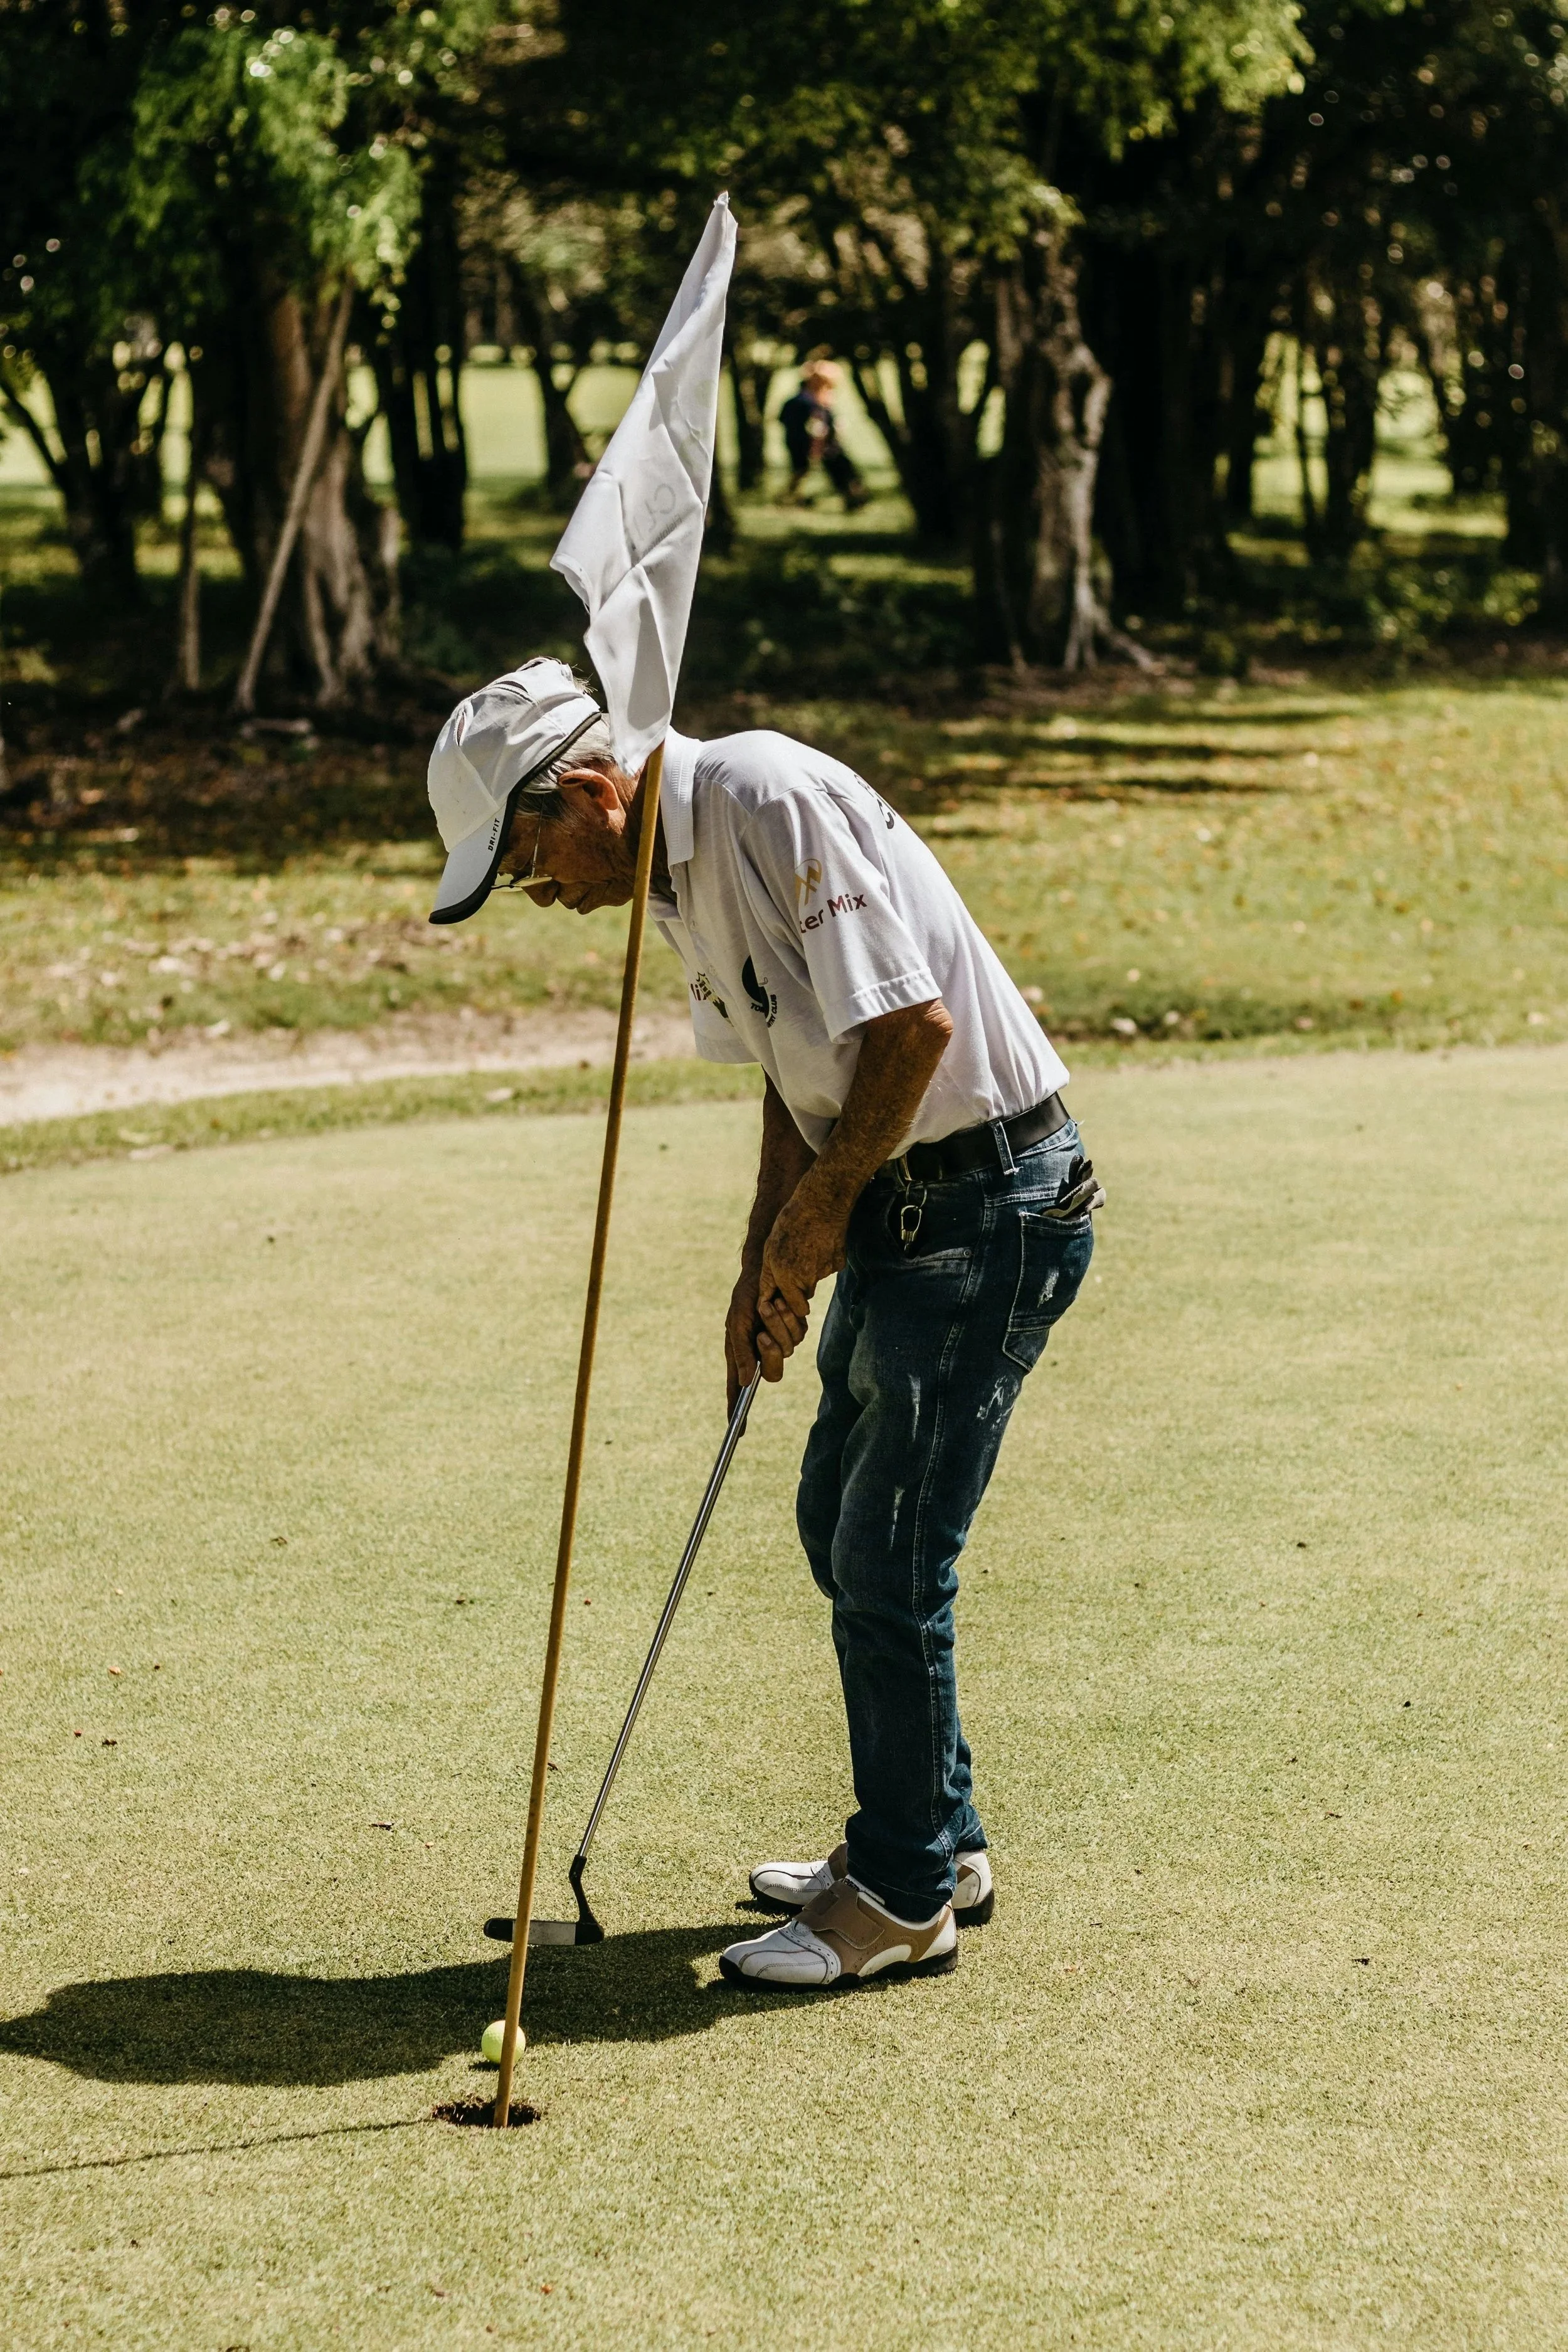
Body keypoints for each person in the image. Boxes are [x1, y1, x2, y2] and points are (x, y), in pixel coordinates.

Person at [426, 658, 1102, 1988]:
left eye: (524, 857)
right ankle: (938, 1834)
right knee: (835, 1520)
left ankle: (903, 1899)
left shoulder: (758, 793)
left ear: (589, 790)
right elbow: (794, 1075)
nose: (537, 890)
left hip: (986, 1204)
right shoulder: (668, 875)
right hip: (909, 1209)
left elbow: (912, 1029)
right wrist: (761, 1258)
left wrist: (824, 1214)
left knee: (887, 1551)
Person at [777, 360, 869, 511]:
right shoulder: (805, 404)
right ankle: (790, 498)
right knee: (808, 469)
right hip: (810, 444)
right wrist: (816, 446)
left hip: (818, 444)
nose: (830, 390)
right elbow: (816, 429)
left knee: (812, 469)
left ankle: (851, 495)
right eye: (827, 386)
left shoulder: (812, 402)